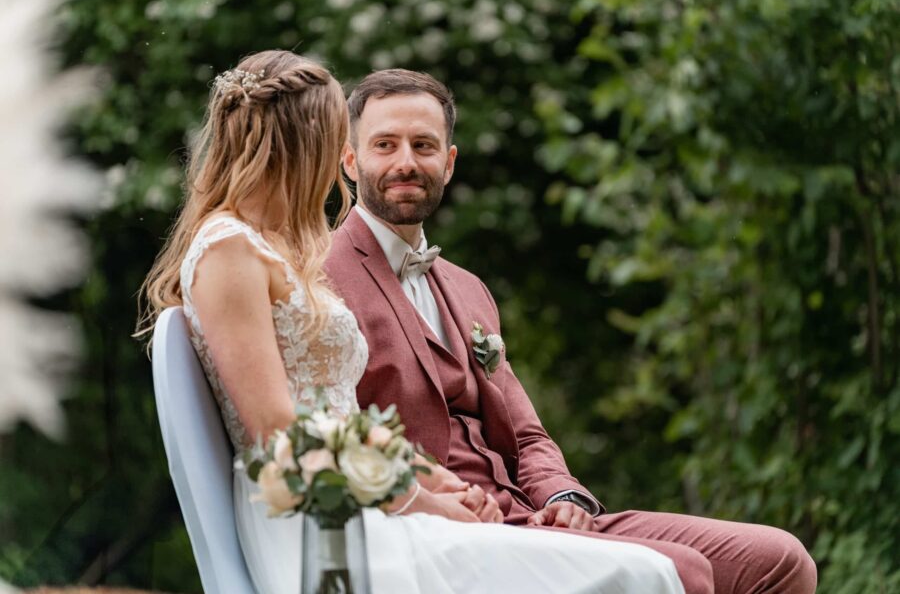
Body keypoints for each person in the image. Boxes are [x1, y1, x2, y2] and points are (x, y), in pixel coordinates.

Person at [137, 50, 686, 594]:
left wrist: (435, 480)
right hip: (323, 524)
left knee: (652, 569)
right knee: (641, 573)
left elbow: (336, 414)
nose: (338, 165)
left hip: (365, 506)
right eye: (334, 142)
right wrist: (423, 500)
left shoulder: (272, 250)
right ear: (300, 145)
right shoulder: (228, 249)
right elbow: (283, 432)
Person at [324, 68, 819, 594]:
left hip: (532, 517)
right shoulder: (320, 276)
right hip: (440, 530)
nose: (406, 162)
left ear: (448, 164)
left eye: (424, 145)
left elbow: (527, 433)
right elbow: (330, 431)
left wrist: (563, 498)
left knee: (782, 561)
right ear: (351, 160)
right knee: (680, 573)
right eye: (385, 144)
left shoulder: (468, 289)